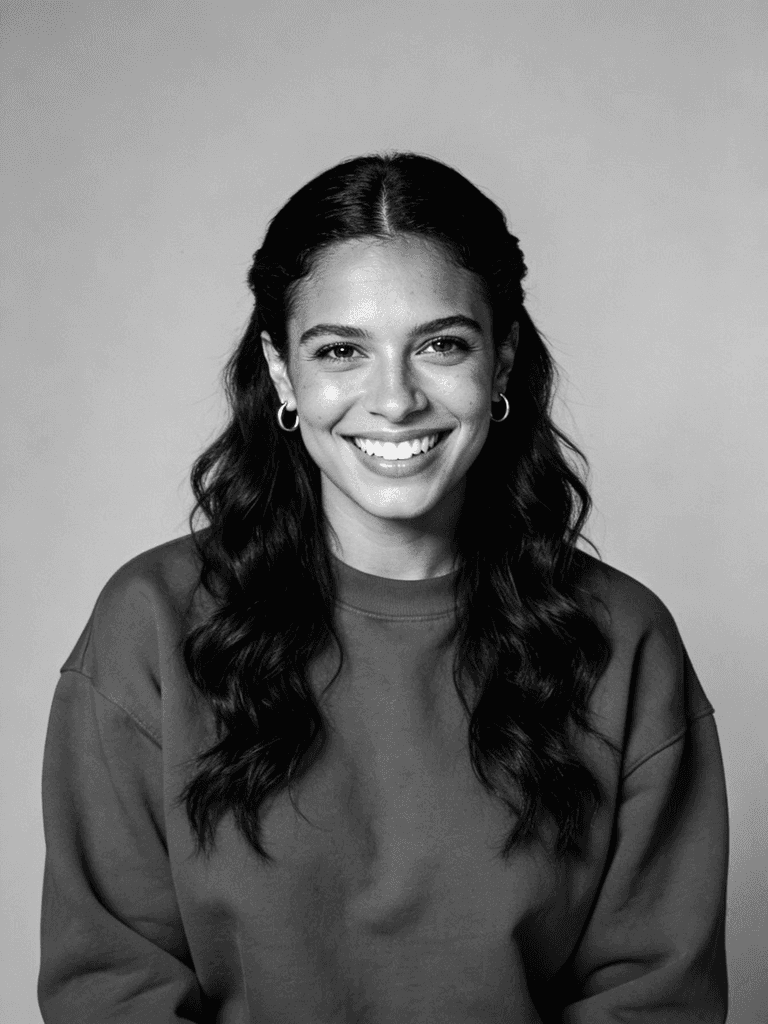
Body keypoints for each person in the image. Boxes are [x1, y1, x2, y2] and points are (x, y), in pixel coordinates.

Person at [38, 153, 729, 1023]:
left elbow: (654, 999)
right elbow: (112, 987)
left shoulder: (624, 641)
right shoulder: (149, 626)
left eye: (441, 345)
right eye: (341, 351)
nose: (395, 399)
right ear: (283, 372)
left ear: (503, 357)